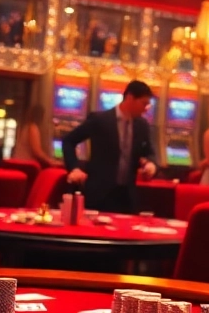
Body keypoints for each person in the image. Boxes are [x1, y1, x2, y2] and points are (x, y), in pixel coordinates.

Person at [63, 80, 158, 213]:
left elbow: (149, 152)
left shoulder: (142, 125)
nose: (146, 109)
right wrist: (74, 168)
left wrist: (151, 164)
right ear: (130, 98)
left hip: (126, 196)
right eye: (144, 103)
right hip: (99, 193)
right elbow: (68, 141)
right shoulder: (100, 120)